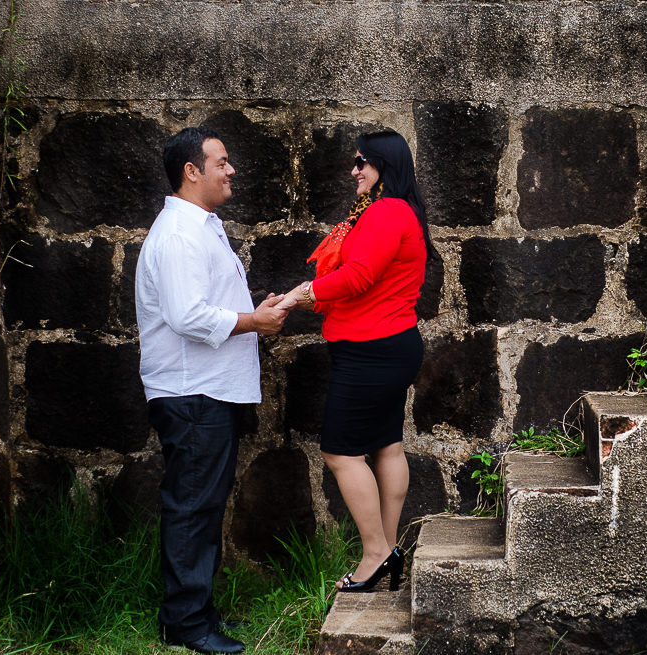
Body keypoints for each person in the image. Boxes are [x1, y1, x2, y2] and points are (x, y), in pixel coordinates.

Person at [136, 127, 289, 654]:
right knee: (193, 506)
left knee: (201, 504)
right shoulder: (180, 233)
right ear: (191, 171)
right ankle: (186, 623)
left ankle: (194, 613)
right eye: (221, 162)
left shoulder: (201, 227)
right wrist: (254, 321)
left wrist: (256, 313)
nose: (231, 170)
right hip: (192, 392)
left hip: (205, 390)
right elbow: (187, 316)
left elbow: (207, 304)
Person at [279, 129, 438, 592]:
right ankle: (386, 552)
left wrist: (299, 294)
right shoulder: (395, 210)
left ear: (384, 165)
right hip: (385, 346)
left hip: (374, 350)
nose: (354, 170)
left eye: (361, 162)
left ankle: (375, 555)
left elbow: (358, 276)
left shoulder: (387, 211)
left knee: (340, 450)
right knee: (386, 445)